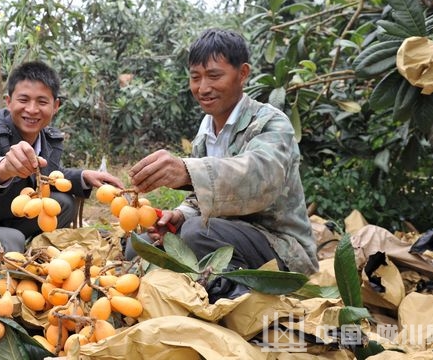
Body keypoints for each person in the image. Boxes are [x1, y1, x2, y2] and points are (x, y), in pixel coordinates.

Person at [126, 28, 319, 276]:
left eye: (214, 76)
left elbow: (260, 176)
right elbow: (202, 196)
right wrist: (180, 215)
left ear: (243, 73)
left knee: (197, 233)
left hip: (280, 246)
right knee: (139, 246)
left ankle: (228, 288)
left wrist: (188, 171)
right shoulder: (205, 131)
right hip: (220, 234)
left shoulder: (271, 123)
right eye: (195, 77)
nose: (203, 88)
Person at [0, 60, 124, 275]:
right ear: (8, 102)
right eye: (23, 100)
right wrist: (3, 168)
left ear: (56, 106)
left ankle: (27, 257)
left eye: (42, 101)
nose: (32, 110)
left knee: (63, 203)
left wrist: (83, 177)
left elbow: (46, 174)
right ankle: (12, 261)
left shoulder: (46, 139)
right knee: (11, 242)